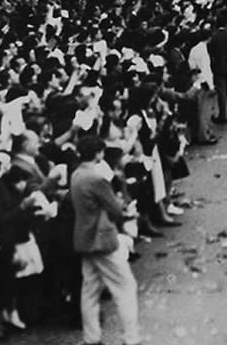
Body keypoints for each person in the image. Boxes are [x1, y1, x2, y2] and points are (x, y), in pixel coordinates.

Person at [69, 136, 142, 345]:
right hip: (102, 238)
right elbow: (116, 209)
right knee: (125, 287)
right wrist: (125, 210)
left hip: (84, 238)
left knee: (90, 291)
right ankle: (131, 338)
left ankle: (92, 337)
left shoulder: (76, 175)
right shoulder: (96, 179)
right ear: (98, 153)